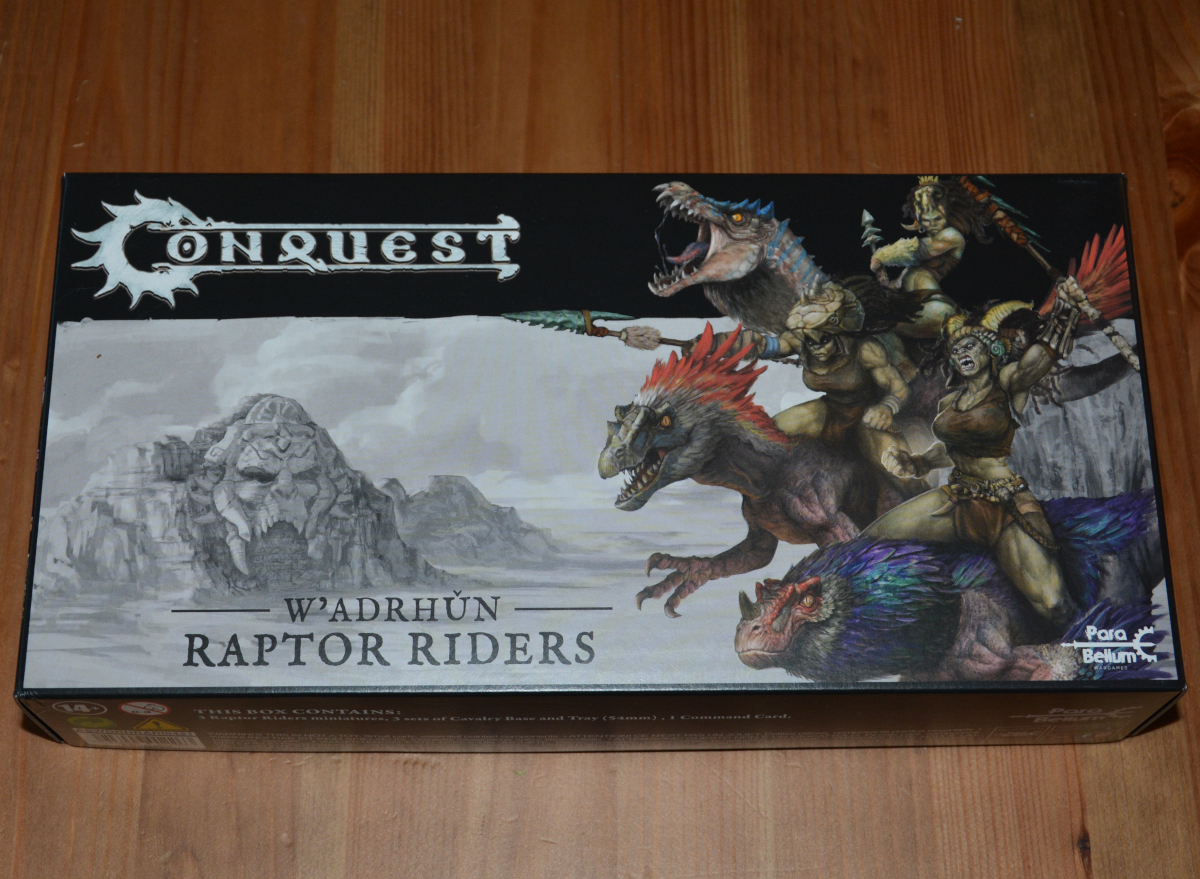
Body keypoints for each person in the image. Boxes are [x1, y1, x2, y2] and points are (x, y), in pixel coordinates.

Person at [862, 279, 1087, 626]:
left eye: (970, 346)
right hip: (956, 499)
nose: (961, 353)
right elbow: (951, 450)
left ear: (991, 350)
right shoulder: (950, 402)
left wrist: (1066, 311)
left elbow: (1037, 361)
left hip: (1004, 504)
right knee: (866, 544)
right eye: (955, 350)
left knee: (1055, 605)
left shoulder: (1007, 384)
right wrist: (918, 462)